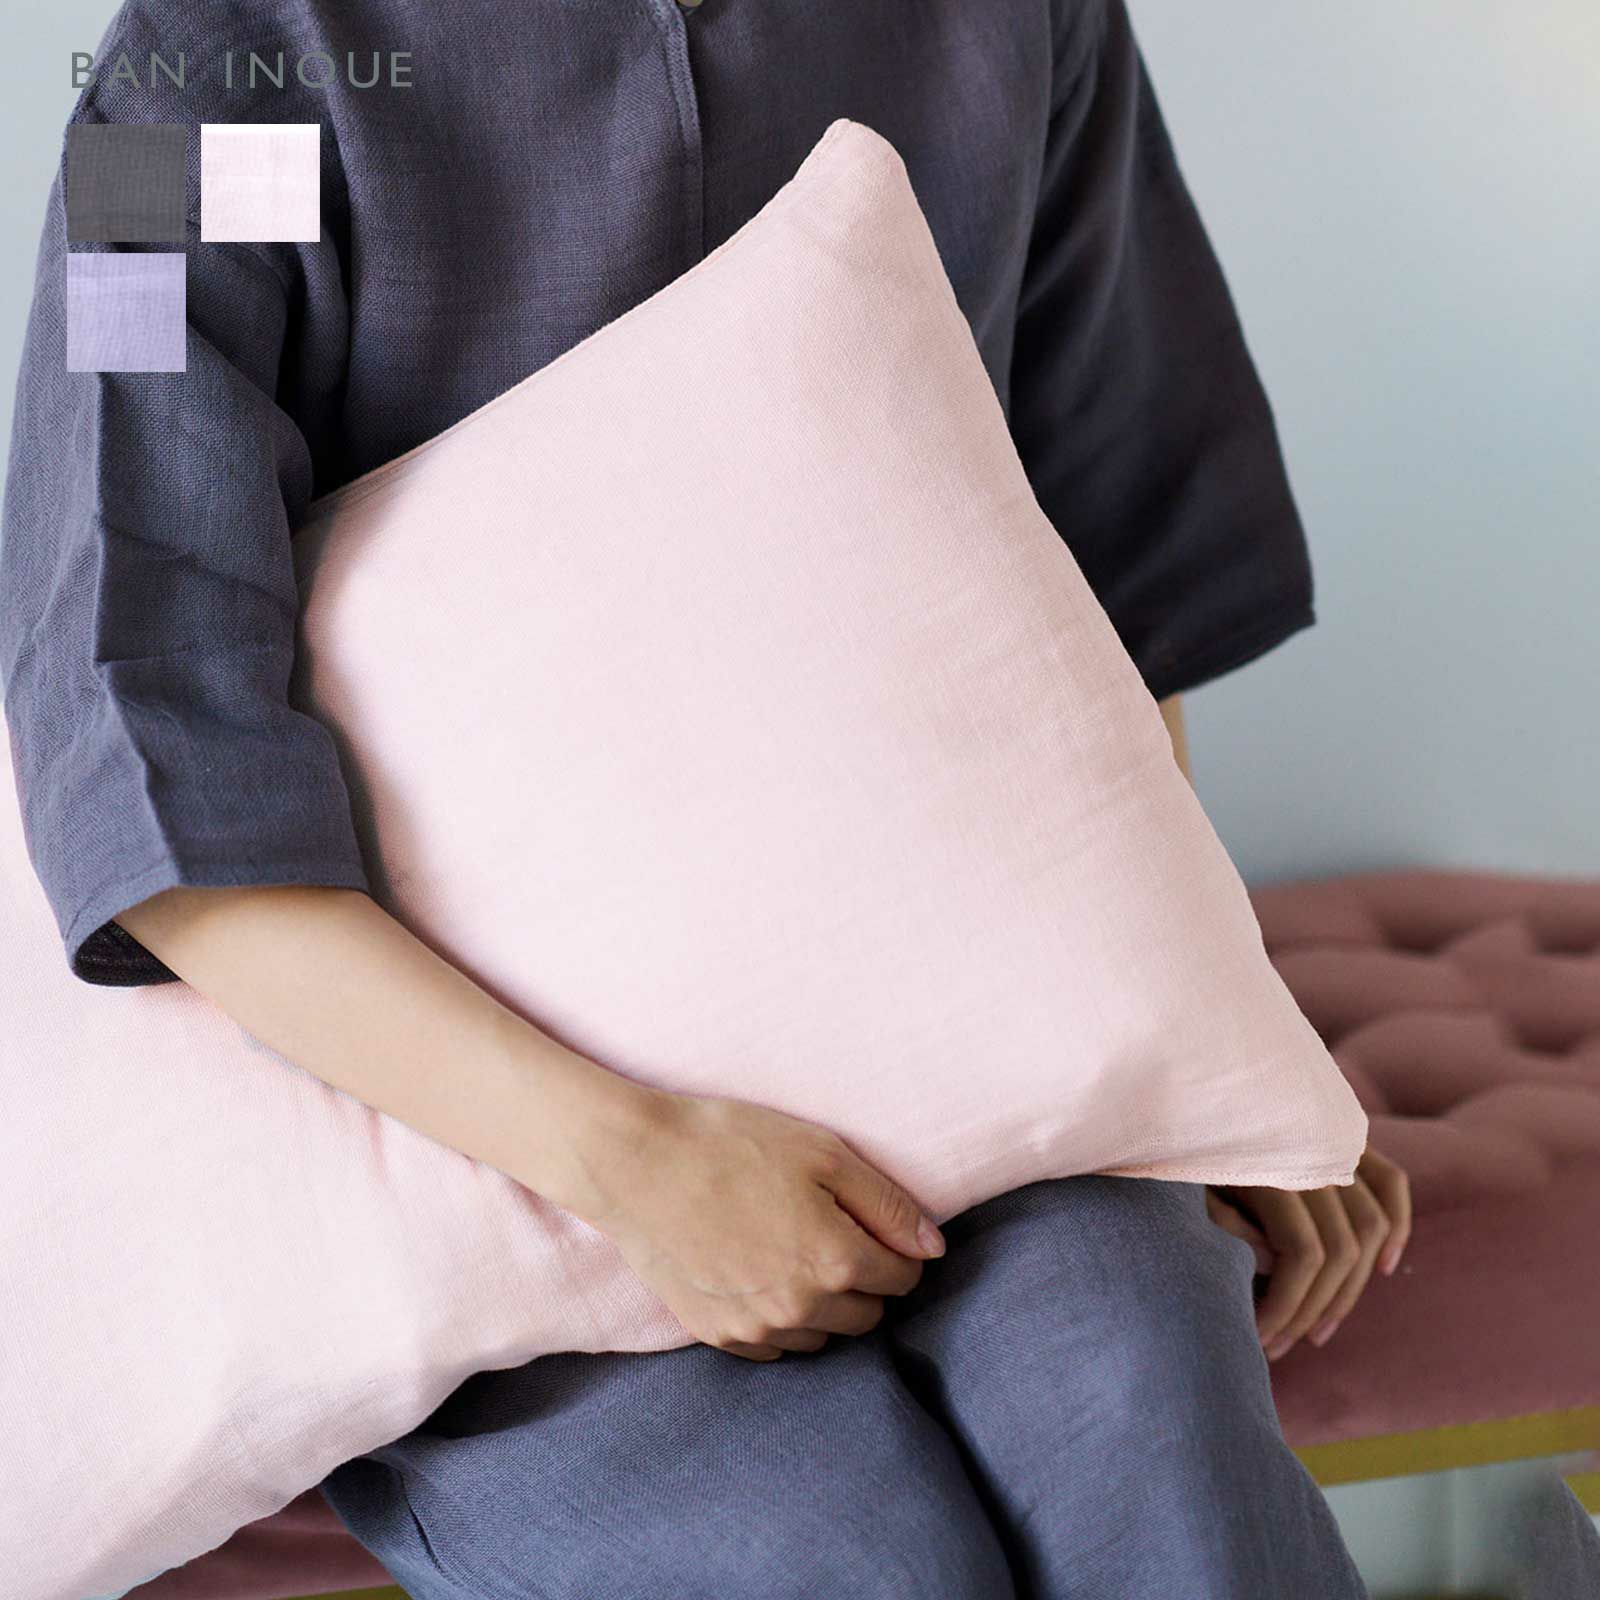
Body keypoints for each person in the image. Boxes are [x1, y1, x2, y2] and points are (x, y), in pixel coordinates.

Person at [0, 0, 1410, 1593]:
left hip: (980, 1028)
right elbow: (135, 711)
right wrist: (637, 1164)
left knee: (1165, 1459)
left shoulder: (1014, 23)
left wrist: (1209, 1032)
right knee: (832, 1561)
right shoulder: (225, 70)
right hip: (470, 1115)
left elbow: (1110, 563)